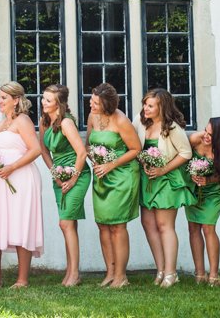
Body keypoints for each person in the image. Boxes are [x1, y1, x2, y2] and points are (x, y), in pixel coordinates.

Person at [0, 81, 44, 289]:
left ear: (16, 100)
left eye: (4, 98)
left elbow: (35, 150)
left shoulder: (23, 121)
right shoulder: (1, 124)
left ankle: (22, 280)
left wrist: (12, 167)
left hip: (21, 178)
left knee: (20, 222)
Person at [134, 89, 196, 289]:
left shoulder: (172, 128)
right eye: (145, 104)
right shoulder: (141, 122)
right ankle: (160, 269)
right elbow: (135, 147)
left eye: (150, 105)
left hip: (167, 180)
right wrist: (142, 161)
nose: (146, 108)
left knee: (164, 225)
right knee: (148, 223)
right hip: (147, 179)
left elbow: (186, 153)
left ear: (162, 107)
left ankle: (171, 272)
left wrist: (163, 169)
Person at [86, 83, 140, 288]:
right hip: (101, 175)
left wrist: (110, 164)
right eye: (91, 100)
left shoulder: (121, 120)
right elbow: (89, 144)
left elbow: (135, 149)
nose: (91, 104)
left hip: (122, 175)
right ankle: (110, 272)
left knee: (117, 225)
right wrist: (94, 157)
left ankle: (121, 275)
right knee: (103, 224)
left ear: (107, 105)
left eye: (96, 103)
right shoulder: (92, 117)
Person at [39, 84, 89, 287]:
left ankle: (75, 274)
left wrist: (73, 178)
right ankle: (70, 271)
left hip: (77, 174)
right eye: (43, 98)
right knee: (68, 224)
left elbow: (82, 153)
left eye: (48, 100)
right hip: (59, 176)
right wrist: (55, 174)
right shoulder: (44, 121)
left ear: (59, 104)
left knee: (65, 223)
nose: (43, 102)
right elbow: (43, 151)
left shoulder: (67, 123)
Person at [185, 116, 220, 287]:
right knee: (193, 227)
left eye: (210, 134)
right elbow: (182, 156)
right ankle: (199, 273)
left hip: (214, 190)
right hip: (194, 188)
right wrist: (190, 174)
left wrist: (209, 181)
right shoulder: (195, 140)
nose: (206, 136)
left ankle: (214, 274)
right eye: (206, 130)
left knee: (208, 227)